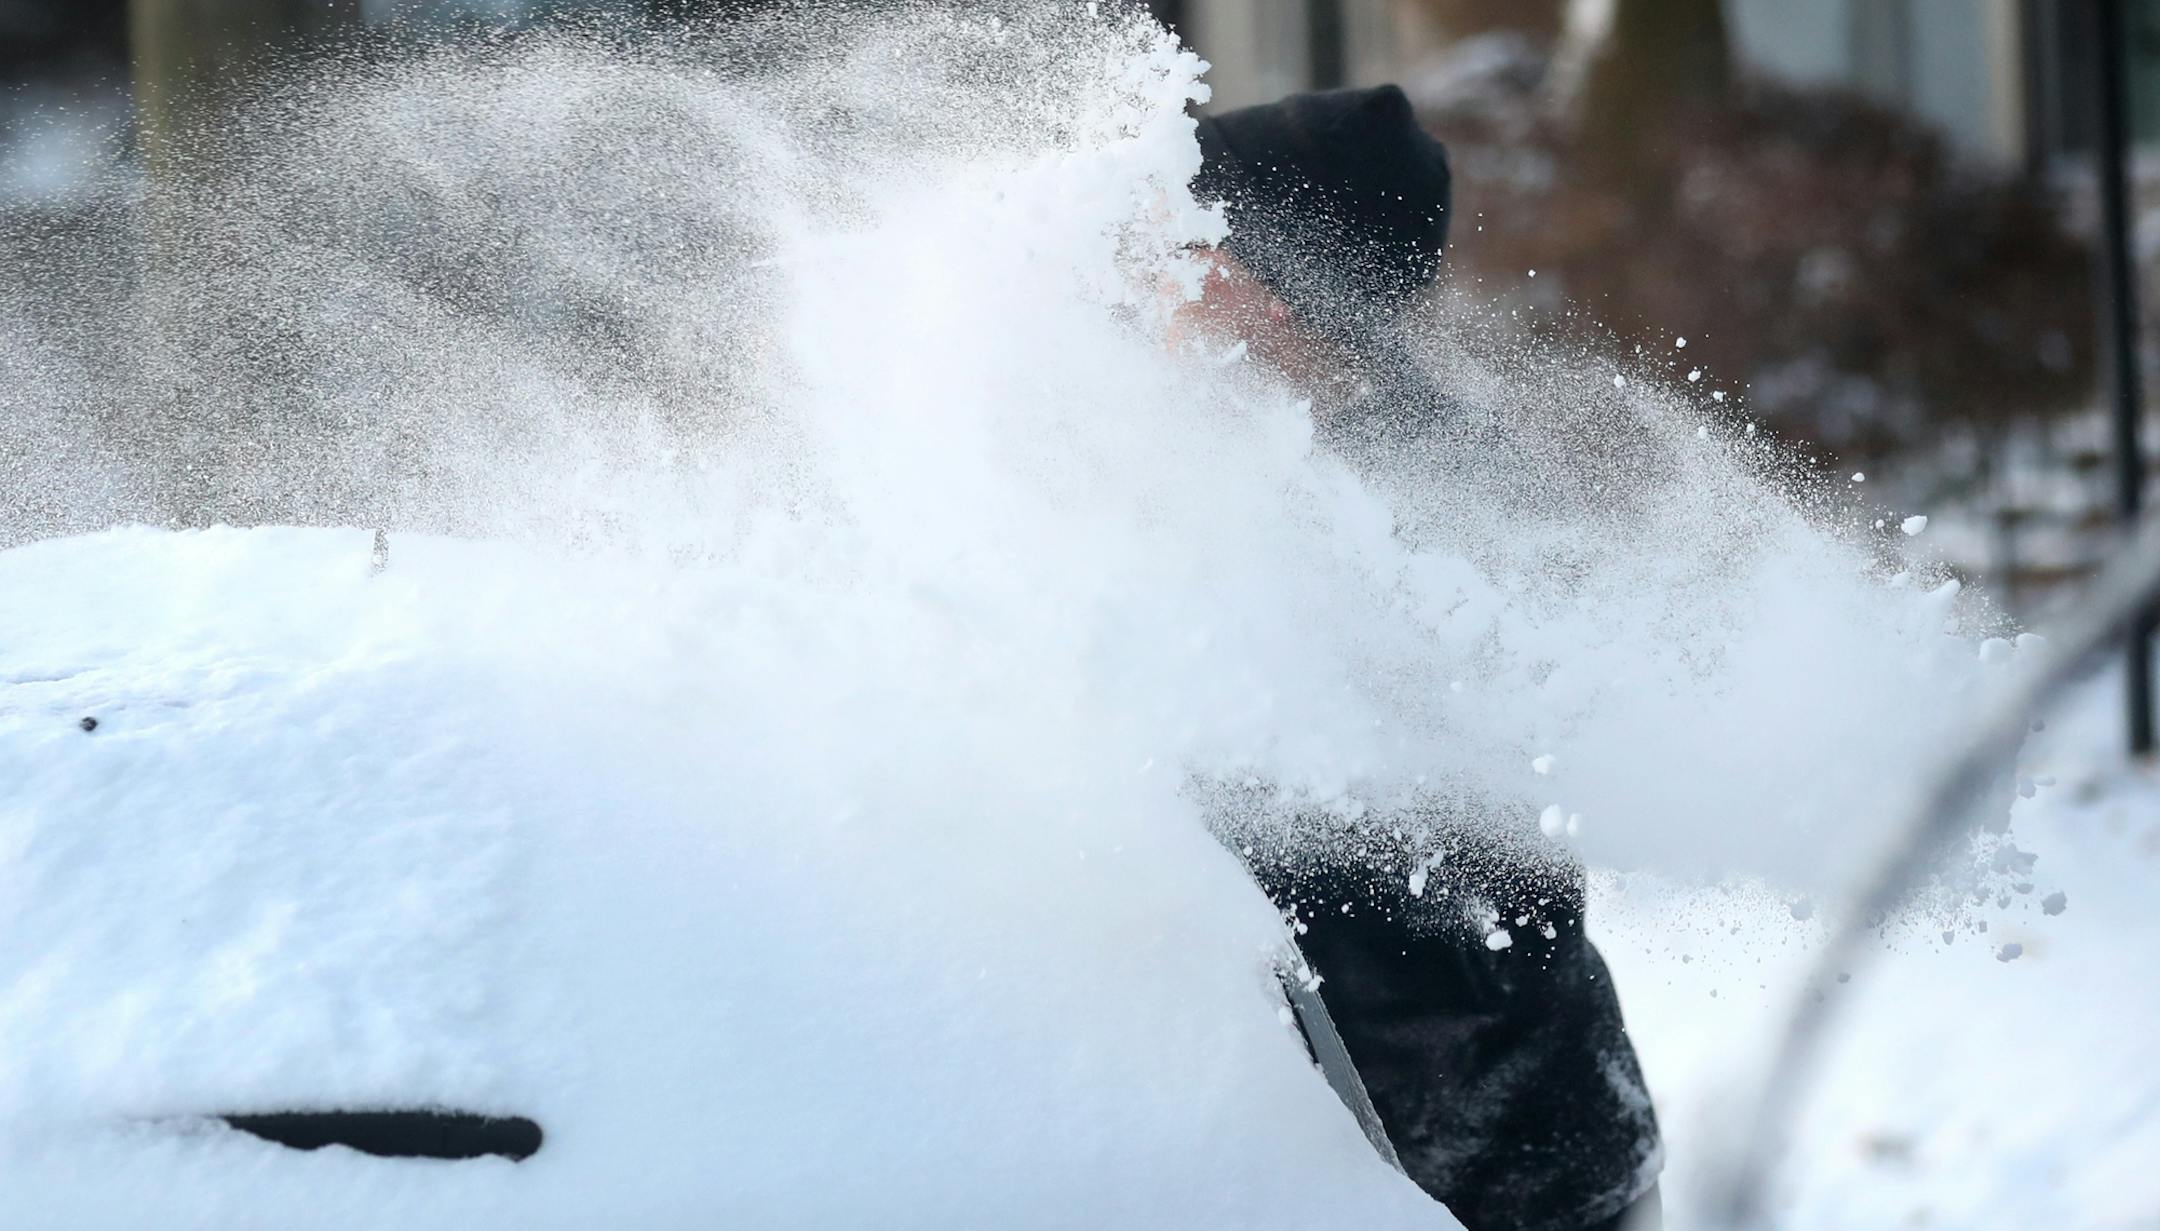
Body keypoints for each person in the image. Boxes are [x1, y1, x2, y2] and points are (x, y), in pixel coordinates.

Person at [1181, 85, 1664, 1231]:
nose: (1146, 265)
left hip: (1482, 1171)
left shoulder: (1427, 513)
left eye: (1190, 238)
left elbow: (1425, 910)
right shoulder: (1205, 468)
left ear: (1290, 292)